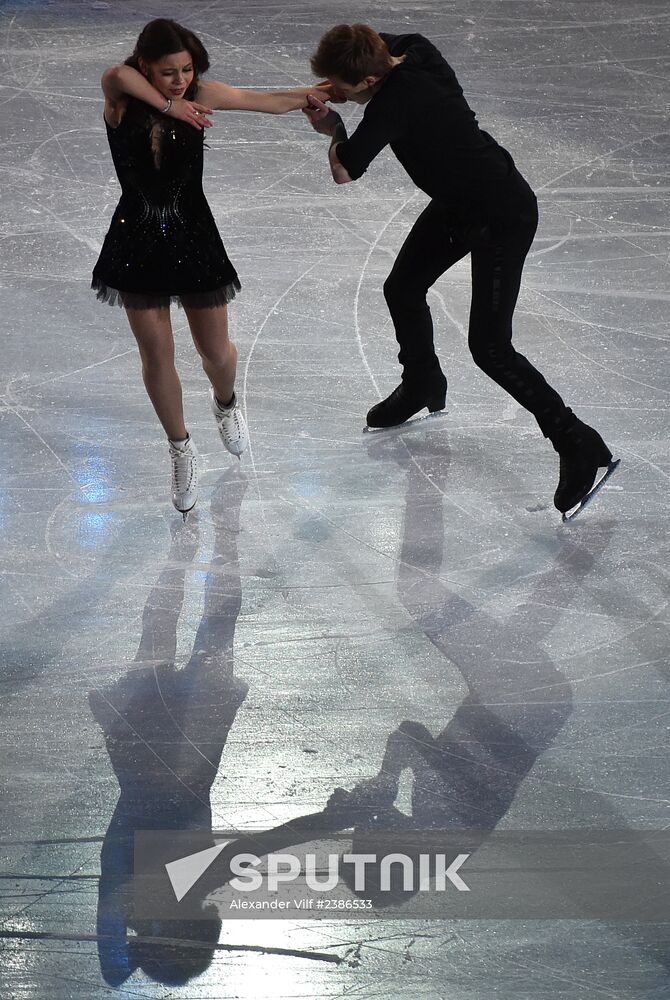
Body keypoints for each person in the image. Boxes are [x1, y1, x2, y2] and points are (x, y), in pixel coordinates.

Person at [304, 25, 618, 517]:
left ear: (367, 79)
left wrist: (335, 130)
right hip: (459, 206)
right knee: (403, 287)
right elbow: (378, 43)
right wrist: (342, 78)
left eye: (343, 86)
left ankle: (579, 443)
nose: (335, 93)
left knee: (490, 348)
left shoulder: (393, 105)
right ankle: (423, 382)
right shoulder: (414, 50)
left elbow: (345, 170)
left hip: (501, 215)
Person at [93, 18, 331, 517]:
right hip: (136, 240)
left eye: (186, 71)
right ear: (146, 68)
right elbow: (114, 74)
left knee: (216, 352)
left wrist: (312, 94)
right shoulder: (121, 100)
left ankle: (225, 402)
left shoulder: (203, 92)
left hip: (193, 237)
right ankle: (180, 448)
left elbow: (263, 100)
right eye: (167, 72)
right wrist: (167, 106)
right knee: (157, 354)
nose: (180, 81)